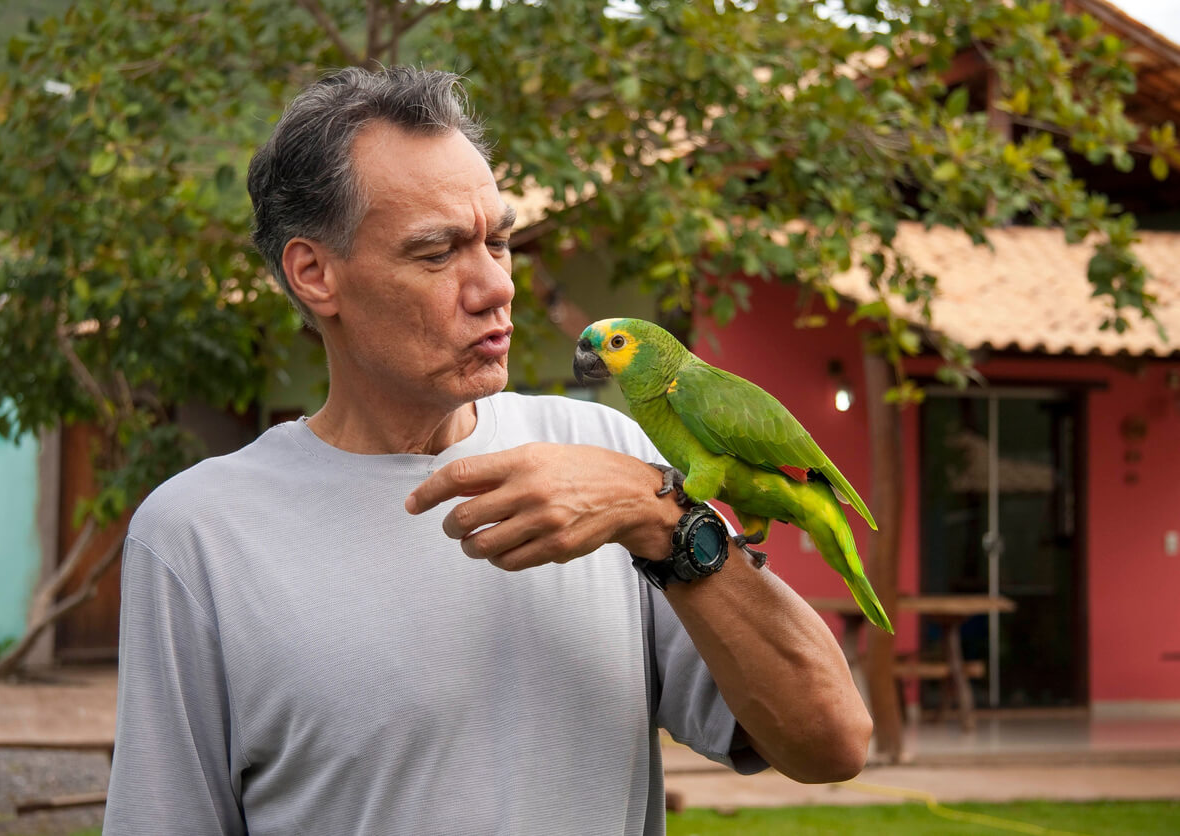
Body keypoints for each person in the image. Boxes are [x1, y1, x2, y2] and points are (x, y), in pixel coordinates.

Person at [103, 66, 870, 836]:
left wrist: (659, 520)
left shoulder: (613, 455)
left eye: (497, 241)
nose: (495, 286)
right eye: (438, 253)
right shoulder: (200, 535)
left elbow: (832, 739)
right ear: (315, 274)